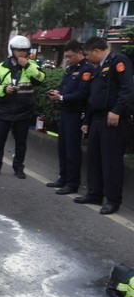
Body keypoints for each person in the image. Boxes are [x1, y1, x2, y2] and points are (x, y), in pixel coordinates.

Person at [74, 36, 133, 215]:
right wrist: (87, 121)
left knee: (111, 162)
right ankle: (94, 193)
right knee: (94, 159)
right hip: (97, 119)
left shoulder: (119, 61)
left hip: (112, 119)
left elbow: (127, 88)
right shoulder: (98, 68)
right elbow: (95, 97)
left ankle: (113, 200)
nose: (87, 58)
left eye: (87, 54)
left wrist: (117, 110)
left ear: (96, 51)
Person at [0, 35, 46, 178]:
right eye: (18, 50)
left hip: (24, 111)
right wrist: (4, 89)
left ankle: (18, 168)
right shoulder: (1, 67)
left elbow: (41, 79)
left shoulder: (32, 66)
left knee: (21, 143)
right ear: (12, 50)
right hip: (3, 110)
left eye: (24, 50)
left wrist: (27, 65)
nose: (21, 53)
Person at [46, 40, 94, 195]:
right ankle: (63, 177)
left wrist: (61, 98)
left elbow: (82, 93)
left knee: (72, 149)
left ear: (80, 53)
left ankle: (72, 183)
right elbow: (63, 86)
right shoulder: (70, 69)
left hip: (76, 114)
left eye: (70, 56)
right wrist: (56, 92)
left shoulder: (86, 70)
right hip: (66, 113)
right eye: (66, 56)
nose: (68, 59)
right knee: (62, 147)